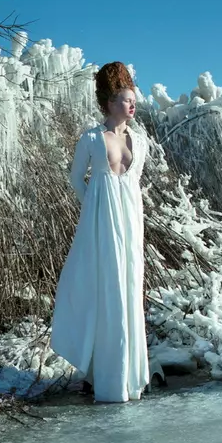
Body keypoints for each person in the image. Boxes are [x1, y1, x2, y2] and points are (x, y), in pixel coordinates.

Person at [49, 62, 150, 403]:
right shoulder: (92, 138)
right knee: (105, 290)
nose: (131, 106)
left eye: (133, 99)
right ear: (108, 103)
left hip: (131, 224)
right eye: (124, 100)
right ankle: (102, 376)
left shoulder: (139, 140)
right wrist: (93, 207)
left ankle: (127, 378)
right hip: (102, 224)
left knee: (128, 288)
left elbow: (133, 184)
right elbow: (76, 178)